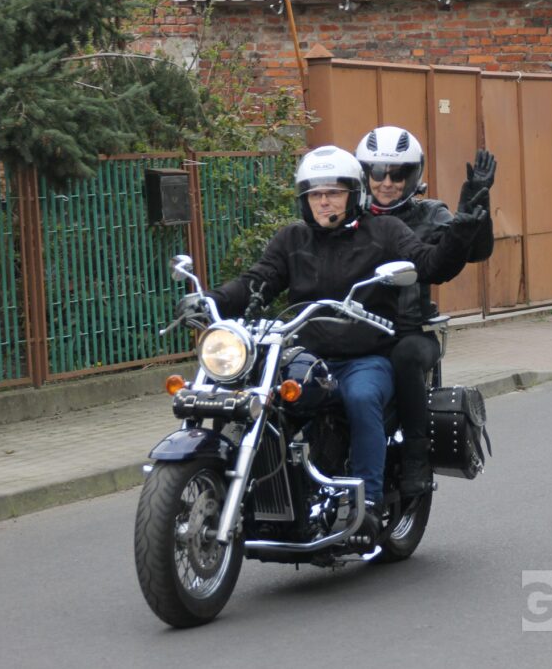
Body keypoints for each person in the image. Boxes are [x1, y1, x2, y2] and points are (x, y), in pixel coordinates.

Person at [191, 145, 489, 548]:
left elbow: (431, 264)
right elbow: (256, 281)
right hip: (307, 357)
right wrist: (210, 301)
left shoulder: (384, 232)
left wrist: (464, 223)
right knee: (255, 398)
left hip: (365, 357)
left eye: (333, 192)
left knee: (362, 398)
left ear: (354, 194)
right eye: (315, 194)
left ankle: (368, 504)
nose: (324, 201)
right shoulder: (292, 239)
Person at [355, 126, 496, 497]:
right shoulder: (350, 217)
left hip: (411, 331)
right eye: (378, 172)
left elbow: (475, 251)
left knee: (404, 356)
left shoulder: (430, 214)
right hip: (357, 332)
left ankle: (416, 456)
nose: (387, 182)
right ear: (364, 174)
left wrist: (476, 205)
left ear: (412, 175)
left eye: (397, 174)